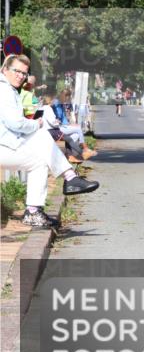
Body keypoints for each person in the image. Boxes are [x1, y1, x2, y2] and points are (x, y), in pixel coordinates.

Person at [0, 55, 100, 227]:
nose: (20, 76)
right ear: (4, 70)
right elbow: (15, 123)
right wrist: (35, 124)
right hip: (4, 146)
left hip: (8, 144)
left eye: (24, 73)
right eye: (16, 71)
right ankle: (70, 178)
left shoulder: (9, 89)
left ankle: (34, 211)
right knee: (41, 134)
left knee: (39, 161)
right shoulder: (4, 90)